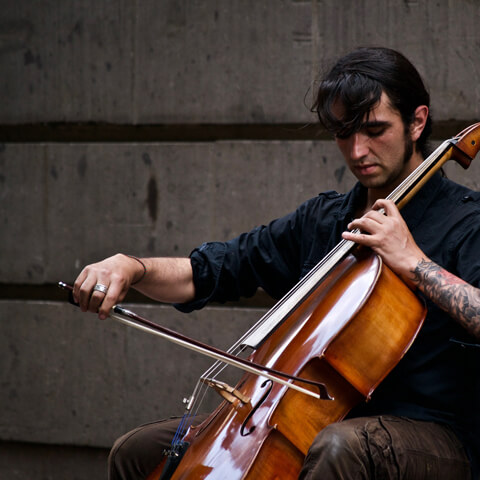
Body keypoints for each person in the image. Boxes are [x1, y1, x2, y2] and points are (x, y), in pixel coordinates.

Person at [73, 47, 479, 479]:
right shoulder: (325, 220)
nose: (357, 150)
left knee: (340, 447)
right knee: (139, 452)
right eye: (343, 133)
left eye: (374, 130)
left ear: (417, 122)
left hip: (432, 433)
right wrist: (132, 267)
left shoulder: (465, 222)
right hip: (309, 418)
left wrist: (413, 262)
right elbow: (215, 270)